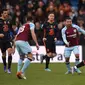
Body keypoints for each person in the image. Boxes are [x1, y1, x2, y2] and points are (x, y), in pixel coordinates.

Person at [0, 9, 15, 74]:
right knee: (3, 54)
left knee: (9, 52)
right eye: (5, 13)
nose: (6, 14)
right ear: (2, 14)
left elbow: (11, 30)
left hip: (8, 39)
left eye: (7, 13)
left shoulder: (9, 21)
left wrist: (15, 35)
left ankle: (9, 68)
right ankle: (5, 66)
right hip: (1, 40)